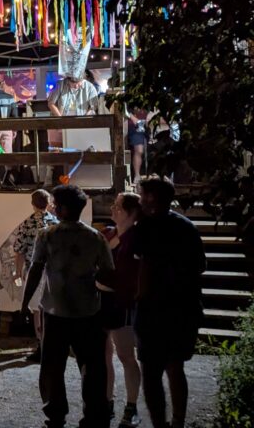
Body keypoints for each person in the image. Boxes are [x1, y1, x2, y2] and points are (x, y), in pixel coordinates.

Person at [22, 185, 114, 428]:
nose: (52, 207)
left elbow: (36, 269)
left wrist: (25, 301)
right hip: (88, 310)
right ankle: (94, 415)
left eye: (54, 204)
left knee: (53, 366)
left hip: (55, 310)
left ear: (61, 209)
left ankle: (56, 414)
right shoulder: (96, 237)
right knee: (92, 366)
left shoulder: (47, 235)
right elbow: (108, 273)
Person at [133, 177, 205, 428]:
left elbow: (142, 266)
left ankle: (159, 423)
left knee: (151, 373)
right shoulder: (187, 226)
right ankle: (178, 421)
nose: (140, 200)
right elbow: (201, 266)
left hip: (153, 309)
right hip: (184, 307)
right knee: (176, 368)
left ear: (152, 199)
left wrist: (139, 297)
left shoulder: (145, 228)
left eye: (143, 195)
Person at [101, 193, 143, 428]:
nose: (112, 209)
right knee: (104, 353)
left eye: (117, 206)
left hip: (122, 300)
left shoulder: (135, 239)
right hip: (102, 298)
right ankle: (107, 402)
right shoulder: (109, 233)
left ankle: (132, 405)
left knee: (126, 354)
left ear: (131, 212)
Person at [10, 189, 58, 362]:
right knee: (48, 307)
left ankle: (41, 344)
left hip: (33, 269)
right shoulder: (55, 221)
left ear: (32, 203)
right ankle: (49, 343)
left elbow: (19, 251)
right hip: (53, 270)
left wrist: (17, 272)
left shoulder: (27, 223)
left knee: (37, 309)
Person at [0, 78, 17, 153]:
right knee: (7, 154)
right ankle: (7, 164)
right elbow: (14, 114)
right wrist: (14, 129)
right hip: (7, 127)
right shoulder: (10, 98)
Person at [126, 108, 151, 184]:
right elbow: (126, 111)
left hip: (148, 125)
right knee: (139, 149)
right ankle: (137, 175)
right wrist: (135, 119)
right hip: (134, 126)